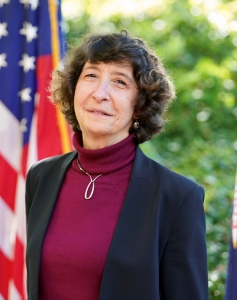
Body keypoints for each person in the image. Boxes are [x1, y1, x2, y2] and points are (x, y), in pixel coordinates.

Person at [25, 31, 208, 300]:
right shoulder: (42, 176)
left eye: (120, 82)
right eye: (91, 76)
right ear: (73, 89)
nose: (100, 93)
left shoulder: (178, 198)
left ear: (140, 105)